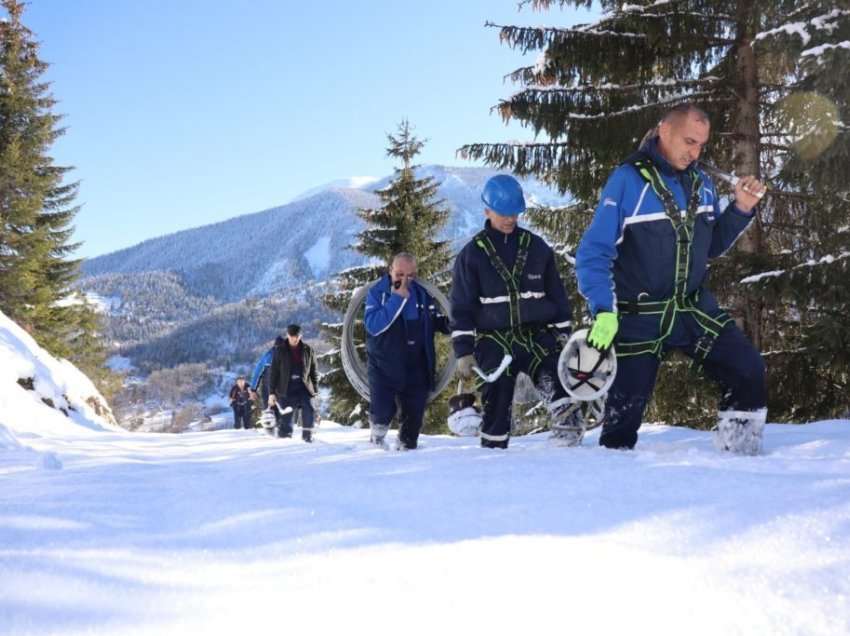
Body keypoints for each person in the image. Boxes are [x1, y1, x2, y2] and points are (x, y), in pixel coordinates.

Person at [575, 102, 768, 454]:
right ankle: (611, 487)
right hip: (640, 316)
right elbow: (594, 252)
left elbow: (712, 246)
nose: (695, 152)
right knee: (623, 420)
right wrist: (603, 309)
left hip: (693, 309)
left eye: (701, 146)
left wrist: (741, 207)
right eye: (688, 141)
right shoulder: (628, 180)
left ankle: (740, 458)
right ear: (665, 131)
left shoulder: (703, 183)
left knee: (747, 368)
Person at [450, 174, 579, 449]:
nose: (510, 219)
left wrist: (564, 334)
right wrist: (464, 351)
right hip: (494, 340)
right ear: (487, 210)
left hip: (536, 335)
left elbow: (556, 294)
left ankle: (570, 442)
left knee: (557, 380)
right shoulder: (472, 255)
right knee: (497, 392)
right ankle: (494, 452)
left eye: (515, 213)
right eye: (504, 213)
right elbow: (461, 307)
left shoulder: (537, 248)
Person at [364, 253, 451, 450]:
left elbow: (433, 319)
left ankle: (407, 451)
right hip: (384, 364)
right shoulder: (377, 293)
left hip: (415, 365)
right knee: (382, 411)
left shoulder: (422, 293)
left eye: (410, 276)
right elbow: (373, 326)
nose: (405, 280)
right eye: (400, 274)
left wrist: (450, 323)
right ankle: (376, 441)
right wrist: (397, 299)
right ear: (390, 271)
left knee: (414, 416)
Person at [269, 323, 319, 442]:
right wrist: (271, 393)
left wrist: (315, 391)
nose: (294, 339)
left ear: (300, 336)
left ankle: (308, 438)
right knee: (286, 418)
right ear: (287, 335)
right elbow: (274, 372)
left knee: (309, 410)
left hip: (303, 388)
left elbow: (313, 372)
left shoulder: (308, 350)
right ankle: (284, 441)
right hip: (286, 389)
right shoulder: (280, 350)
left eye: (296, 336)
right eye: (292, 336)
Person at [250, 334, 284, 408]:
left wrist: (253, 389)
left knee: (269, 414)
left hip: (270, 391)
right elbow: (257, 372)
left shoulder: (267, 355)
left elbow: (257, 372)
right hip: (276, 392)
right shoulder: (268, 356)